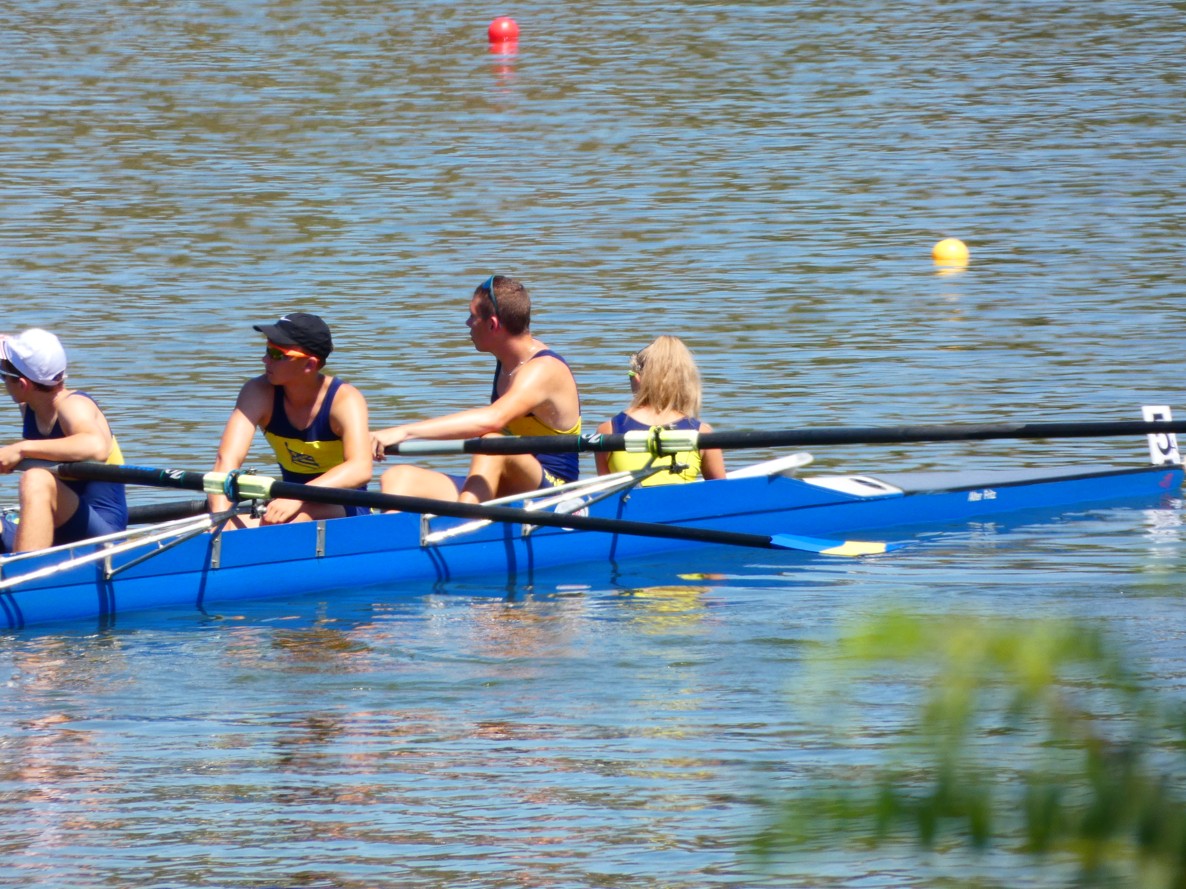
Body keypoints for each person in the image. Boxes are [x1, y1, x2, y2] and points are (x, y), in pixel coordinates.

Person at [371, 275, 581, 504]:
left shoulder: (543, 369)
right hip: (506, 479)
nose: (467, 323)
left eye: (472, 316)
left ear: (492, 324)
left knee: (494, 442)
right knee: (398, 478)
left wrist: (404, 432)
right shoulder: (507, 361)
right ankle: (395, 528)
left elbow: (493, 419)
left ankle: (465, 519)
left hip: (554, 491)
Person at [208, 313, 372, 527]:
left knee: (284, 521)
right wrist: (220, 522)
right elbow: (226, 460)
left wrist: (298, 496)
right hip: (287, 501)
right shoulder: (257, 392)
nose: (265, 360)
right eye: (268, 349)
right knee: (213, 526)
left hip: (345, 504)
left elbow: (360, 468)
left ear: (309, 364)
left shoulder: (345, 400)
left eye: (277, 354)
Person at [0, 328, 128, 552]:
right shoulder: (32, 404)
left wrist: (20, 450)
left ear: (23, 384)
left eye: (3, 376)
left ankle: (24, 571)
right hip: (54, 528)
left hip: (100, 536)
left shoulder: (73, 405)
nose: (2, 382)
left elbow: (96, 446)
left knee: (36, 478)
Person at [594, 335, 725, 486]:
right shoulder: (702, 434)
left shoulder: (608, 431)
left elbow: (606, 491)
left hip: (631, 501)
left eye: (630, 375)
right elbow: (722, 492)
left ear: (638, 379)